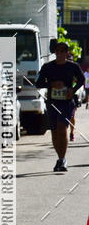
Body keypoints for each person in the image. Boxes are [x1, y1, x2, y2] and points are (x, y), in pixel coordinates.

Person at [36, 42, 85, 171]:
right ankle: (59, 158)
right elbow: (38, 82)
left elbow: (81, 80)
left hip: (67, 103)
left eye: (63, 51)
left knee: (62, 128)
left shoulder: (73, 66)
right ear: (55, 52)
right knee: (55, 132)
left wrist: (72, 90)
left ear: (66, 53)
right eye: (58, 51)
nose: (60, 53)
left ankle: (62, 160)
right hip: (52, 103)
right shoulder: (48, 67)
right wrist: (52, 84)